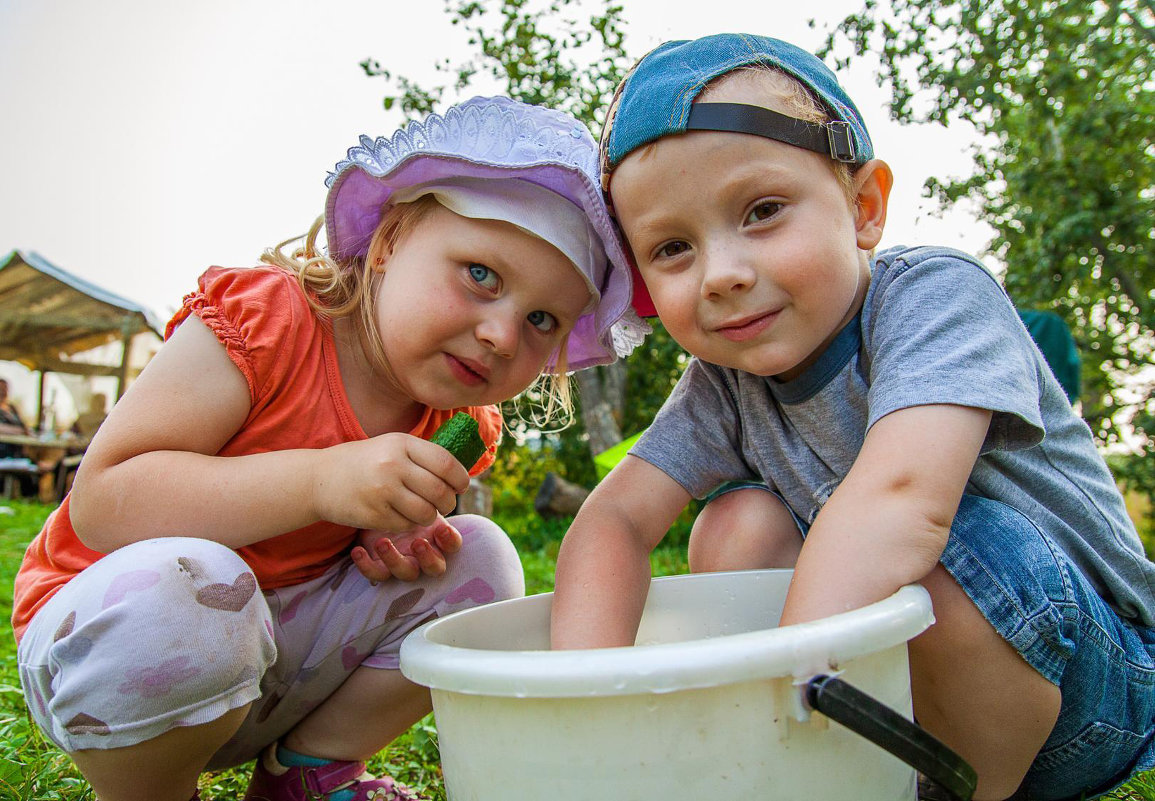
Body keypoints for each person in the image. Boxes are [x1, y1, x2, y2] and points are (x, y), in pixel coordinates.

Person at [550, 34, 1155, 801]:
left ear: (863, 208)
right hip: (895, 705)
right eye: (672, 247)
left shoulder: (934, 295)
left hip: (1093, 693)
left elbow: (900, 499)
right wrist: (582, 709)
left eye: (762, 211)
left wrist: (777, 695)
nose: (724, 274)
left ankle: (948, 790)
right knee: (735, 523)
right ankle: (839, 775)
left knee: (937, 544)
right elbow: (615, 522)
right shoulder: (722, 381)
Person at [12, 95, 644, 801]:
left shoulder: (462, 423)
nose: (501, 333)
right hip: (117, 649)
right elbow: (103, 503)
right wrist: (320, 481)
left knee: (483, 559)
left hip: (275, 669)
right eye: (479, 274)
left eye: (540, 319)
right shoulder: (267, 319)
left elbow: (370, 546)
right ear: (390, 241)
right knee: (187, 586)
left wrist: (390, 538)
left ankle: (307, 772)